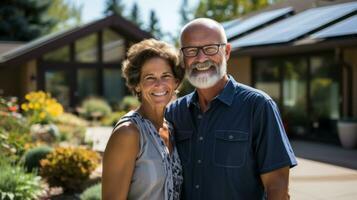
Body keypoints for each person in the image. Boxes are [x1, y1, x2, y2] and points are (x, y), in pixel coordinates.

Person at [165, 18, 298, 200]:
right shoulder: (174, 113)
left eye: (210, 48)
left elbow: (277, 189)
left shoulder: (258, 106)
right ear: (183, 57)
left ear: (227, 52)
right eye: (191, 50)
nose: (201, 58)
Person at [102, 39, 185, 200]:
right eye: (149, 77)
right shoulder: (128, 133)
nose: (159, 84)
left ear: (175, 82)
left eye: (165, 76)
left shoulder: (172, 129)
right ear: (137, 85)